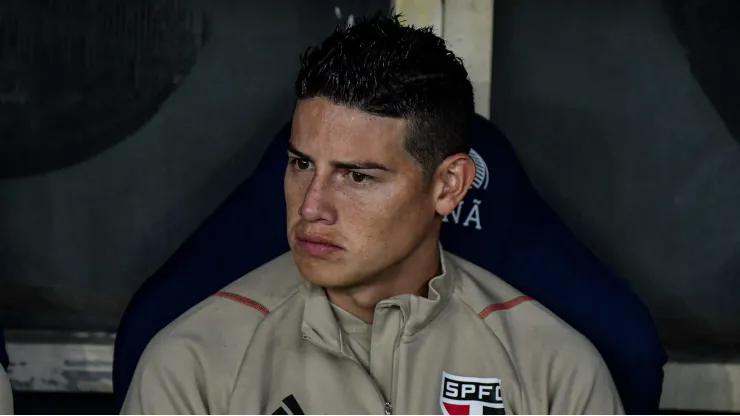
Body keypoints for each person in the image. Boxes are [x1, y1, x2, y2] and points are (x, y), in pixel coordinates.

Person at [122, 13, 624, 414]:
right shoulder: (192, 364)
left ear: (448, 186)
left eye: (358, 176)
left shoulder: (554, 372)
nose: (311, 206)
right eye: (301, 164)